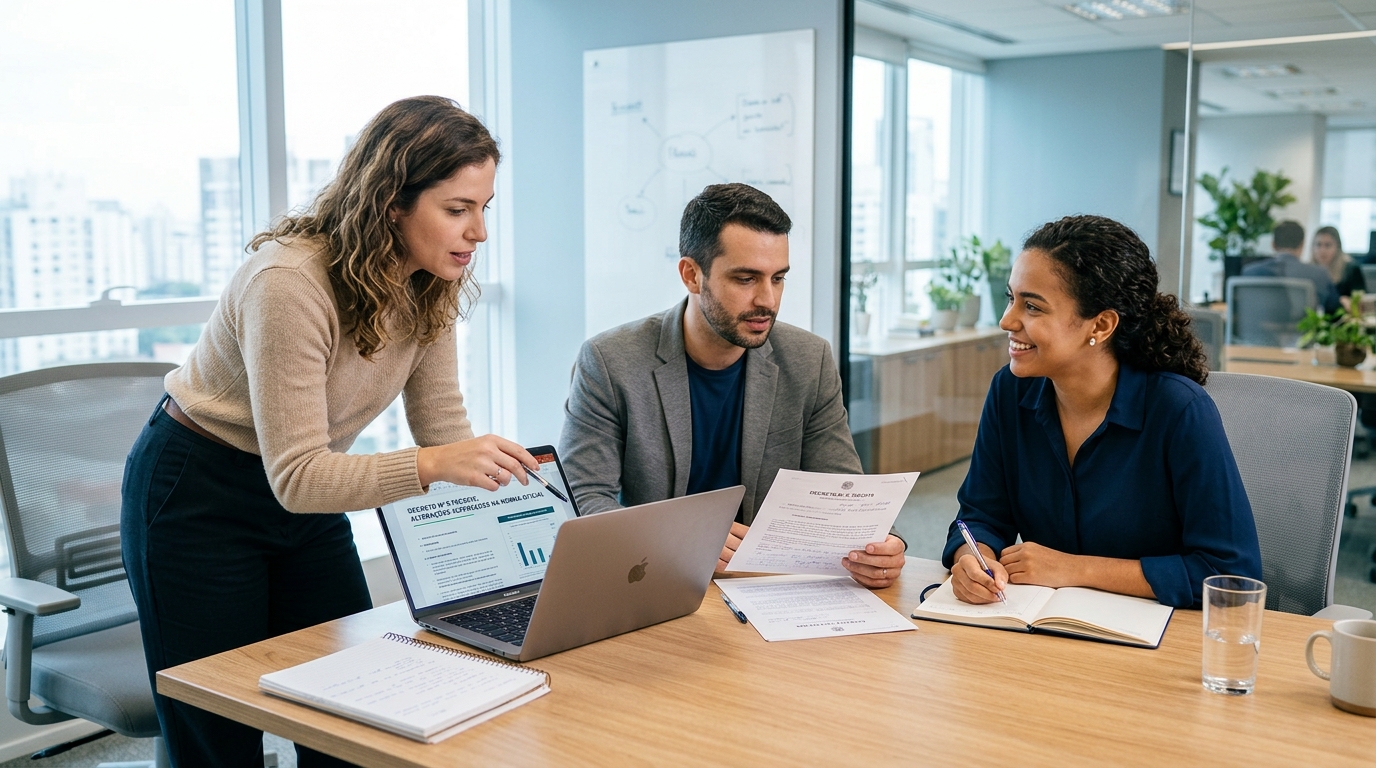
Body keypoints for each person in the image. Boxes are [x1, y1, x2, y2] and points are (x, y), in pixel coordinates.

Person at [121, 97, 539, 767]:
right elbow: (300, 476)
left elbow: (444, 430)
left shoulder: (428, 281)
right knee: (216, 735)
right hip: (198, 493)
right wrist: (436, 464)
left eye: (484, 208)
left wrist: (519, 539)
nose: (479, 232)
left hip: (308, 502)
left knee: (355, 720)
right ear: (391, 203)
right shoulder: (290, 282)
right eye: (458, 210)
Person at [559, 183, 906, 588]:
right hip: (652, 579)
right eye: (746, 279)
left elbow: (841, 492)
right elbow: (581, 498)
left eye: (778, 278)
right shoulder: (610, 361)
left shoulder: (808, 360)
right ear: (692, 275)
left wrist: (878, 546)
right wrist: (685, 535)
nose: (768, 300)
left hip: (763, 585)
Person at [944, 215, 1262, 609]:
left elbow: (1232, 574)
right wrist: (973, 561)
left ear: (1101, 324)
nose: (1007, 320)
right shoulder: (1010, 392)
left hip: (1160, 642)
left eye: (1032, 307)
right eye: (1012, 298)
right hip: (1042, 633)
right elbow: (979, 516)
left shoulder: (1180, 411)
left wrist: (1075, 569)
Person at [1243, 219, 1339, 313]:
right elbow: (1335, 312)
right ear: (1302, 244)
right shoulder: (1320, 274)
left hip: (1258, 329)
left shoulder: (1249, 273)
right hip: (1303, 329)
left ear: (1273, 245)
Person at [1313, 225, 1365, 300]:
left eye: (1327, 245)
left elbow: (1360, 301)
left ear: (1337, 247)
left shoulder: (1351, 270)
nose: (1322, 250)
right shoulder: (1309, 270)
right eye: (1318, 245)